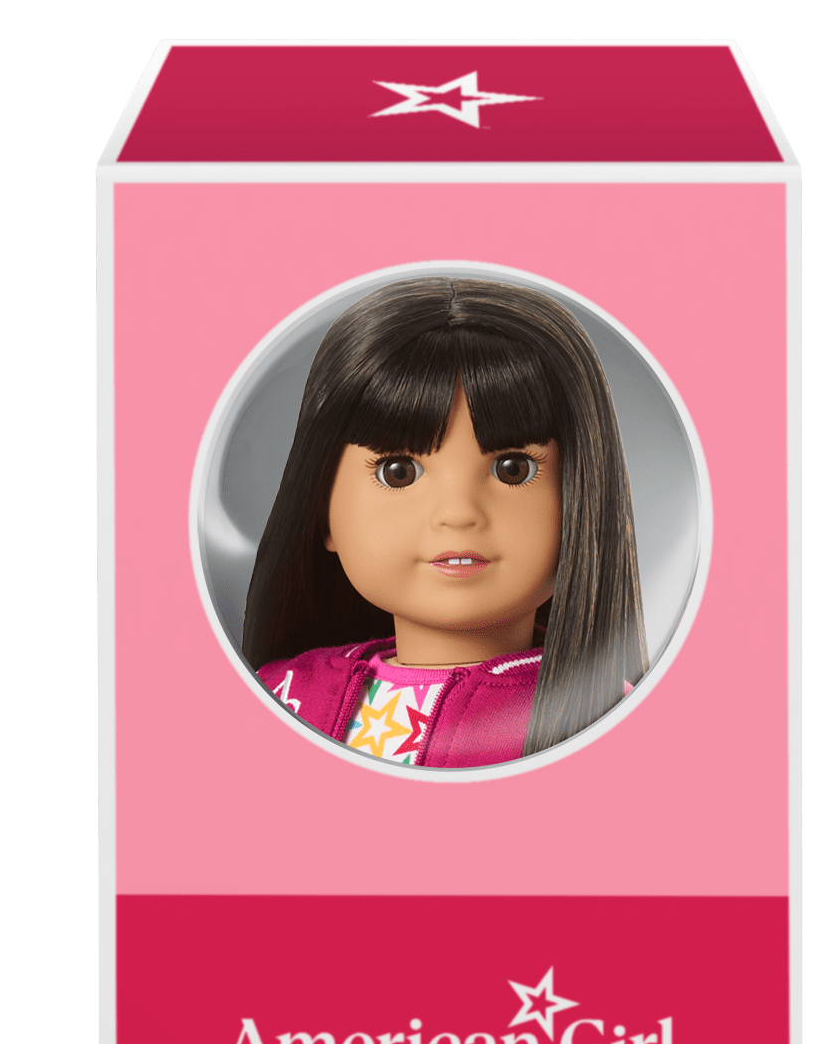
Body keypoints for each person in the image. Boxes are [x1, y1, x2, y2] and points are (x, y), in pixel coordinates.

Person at [241, 277, 645, 766]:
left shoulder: (608, 720)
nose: (458, 513)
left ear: (584, 495)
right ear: (321, 509)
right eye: (398, 472)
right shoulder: (279, 695)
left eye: (513, 469)